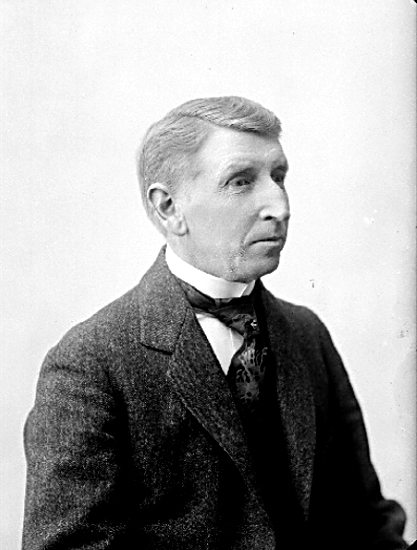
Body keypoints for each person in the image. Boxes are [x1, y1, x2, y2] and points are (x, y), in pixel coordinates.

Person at [22, 96, 409, 549]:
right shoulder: (90, 364)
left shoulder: (307, 334)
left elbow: (367, 524)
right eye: (241, 181)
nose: (279, 206)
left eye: (278, 177)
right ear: (169, 208)